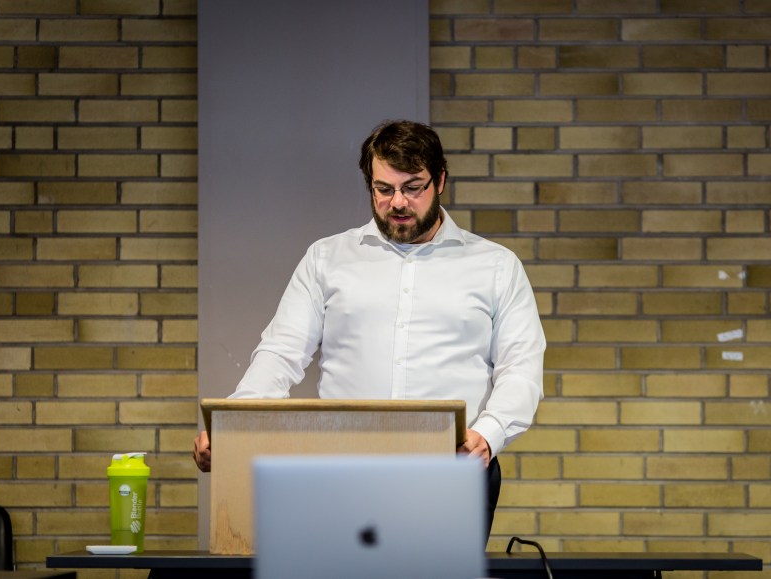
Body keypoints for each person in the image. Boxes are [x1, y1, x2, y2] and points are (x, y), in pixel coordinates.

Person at [194, 120, 546, 537]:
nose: (398, 202)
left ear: (440, 181)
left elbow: (521, 369)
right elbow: (281, 352)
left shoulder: (496, 266)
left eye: (413, 187)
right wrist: (234, 426)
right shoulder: (327, 258)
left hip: (454, 467)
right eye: (383, 189)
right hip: (341, 469)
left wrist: (488, 436)